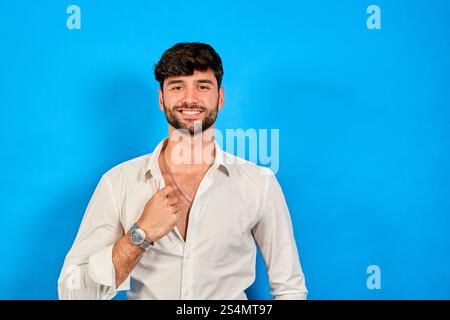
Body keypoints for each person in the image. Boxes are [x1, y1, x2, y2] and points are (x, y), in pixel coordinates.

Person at [58, 42, 308, 300]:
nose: (190, 98)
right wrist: (140, 234)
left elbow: (290, 289)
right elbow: (73, 294)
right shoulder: (117, 182)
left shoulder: (259, 183)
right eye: (177, 86)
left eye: (202, 86)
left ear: (220, 98)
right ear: (161, 99)